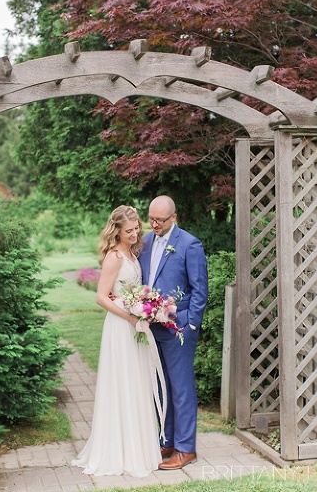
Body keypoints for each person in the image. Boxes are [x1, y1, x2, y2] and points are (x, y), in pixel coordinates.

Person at [72, 205, 162, 477]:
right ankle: (118, 450)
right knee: (121, 382)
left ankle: (138, 447)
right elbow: (101, 297)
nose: (135, 234)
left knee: (136, 382)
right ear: (117, 231)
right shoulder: (114, 257)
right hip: (121, 327)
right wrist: (130, 316)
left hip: (134, 324)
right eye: (129, 231)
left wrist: (145, 307)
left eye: (136, 229)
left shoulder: (132, 254)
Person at [138, 195, 208, 470]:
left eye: (160, 220)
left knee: (181, 388)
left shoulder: (189, 244)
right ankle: (166, 440)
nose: (154, 224)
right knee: (160, 387)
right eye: (151, 218)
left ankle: (185, 448)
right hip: (151, 327)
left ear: (173, 218)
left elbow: (200, 289)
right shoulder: (144, 242)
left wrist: (190, 324)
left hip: (178, 328)